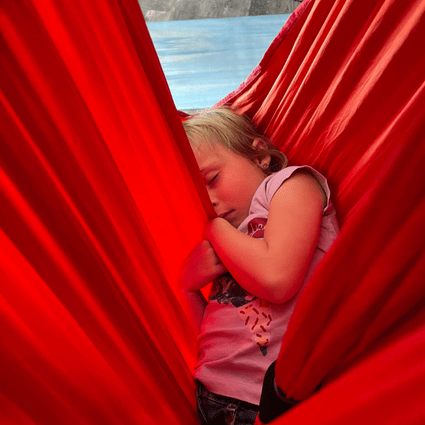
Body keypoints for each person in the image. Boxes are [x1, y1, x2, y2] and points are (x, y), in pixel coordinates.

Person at [180, 107, 339, 425]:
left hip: (262, 403)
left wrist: (215, 229)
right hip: (210, 397)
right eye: (197, 193)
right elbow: (219, 336)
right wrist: (188, 288)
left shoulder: (289, 185)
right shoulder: (236, 237)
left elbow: (277, 281)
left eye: (212, 179)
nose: (208, 201)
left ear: (260, 154)